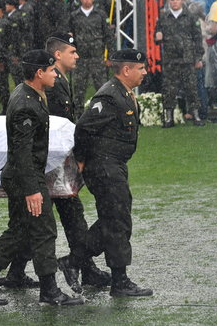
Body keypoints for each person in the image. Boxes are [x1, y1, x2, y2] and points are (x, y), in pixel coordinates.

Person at [0, 50, 83, 307]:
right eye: (52, 70)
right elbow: (22, 151)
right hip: (25, 178)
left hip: (24, 175)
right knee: (43, 231)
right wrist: (32, 189)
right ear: (39, 73)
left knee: (20, 231)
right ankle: (49, 291)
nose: (56, 74)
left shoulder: (29, 94)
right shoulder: (26, 104)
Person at [74, 49, 153, 298]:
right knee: (117, 220)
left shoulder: (122, 92)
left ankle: (73, 262)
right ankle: (119, 282)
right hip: (104, 166)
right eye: (141, 68)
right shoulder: (109, 96)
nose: (145, 72)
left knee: (113, 218)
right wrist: (81, 161)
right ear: (126, 70)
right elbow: (83, 129)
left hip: (114, 164)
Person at [44, 33, 111, 293]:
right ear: (58, 54)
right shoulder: (54, 81)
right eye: (72, 51)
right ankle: (82, 266)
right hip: (54, 161)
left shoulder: (60, 79)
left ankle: (85, 267)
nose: (77, 56)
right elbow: (59, 123)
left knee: (70, 216)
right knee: (40, 223)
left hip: (57, 159)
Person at [155, 0, 205, 127]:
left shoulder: (190, 17)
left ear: (182, 0)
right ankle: (169, 117)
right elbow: (157, 36)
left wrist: (198, 57)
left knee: (191, 88)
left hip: (187, 58)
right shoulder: (163, 17)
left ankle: (196, 115)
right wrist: (157, 37)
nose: (174, 2)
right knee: (169, 89)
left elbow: (197, 38)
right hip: (170, 59)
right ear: (169, 1)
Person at [68, 0, 114, 118]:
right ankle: (78, 116)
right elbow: (70, 37)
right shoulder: (74, 16)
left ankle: (105, 114)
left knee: (101, 88)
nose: (87, 0)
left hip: (97, 58)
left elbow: (108, 36)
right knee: (78, 90)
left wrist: (110, 56)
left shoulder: (100, 14)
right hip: (80, 59)